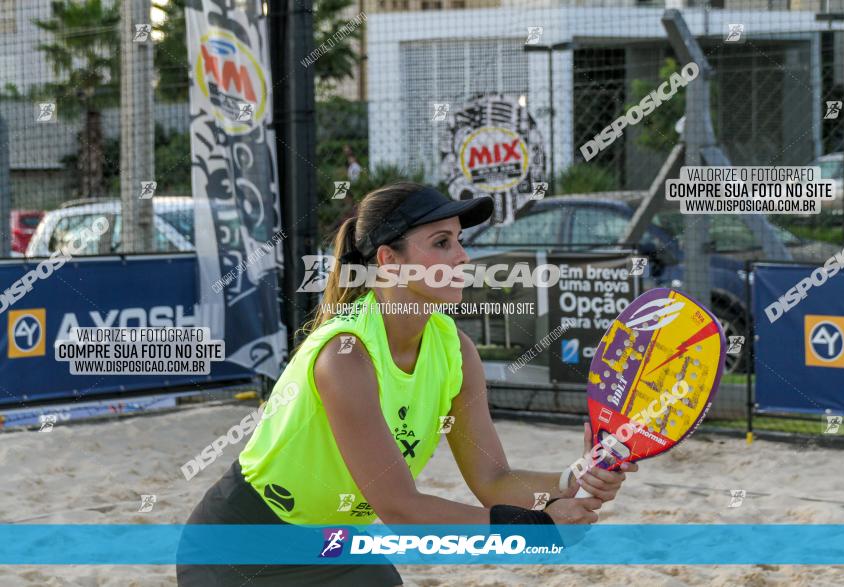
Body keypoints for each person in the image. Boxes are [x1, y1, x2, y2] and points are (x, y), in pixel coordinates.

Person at [177, 182, 637, 586]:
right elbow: (401, 510)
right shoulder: (346, 358)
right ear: (388, 260)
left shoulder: (456, 352)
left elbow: (493, 480)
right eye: (441, 242)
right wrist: (537, 531)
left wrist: (572, 479)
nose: (462, 256)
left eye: (459, 240)